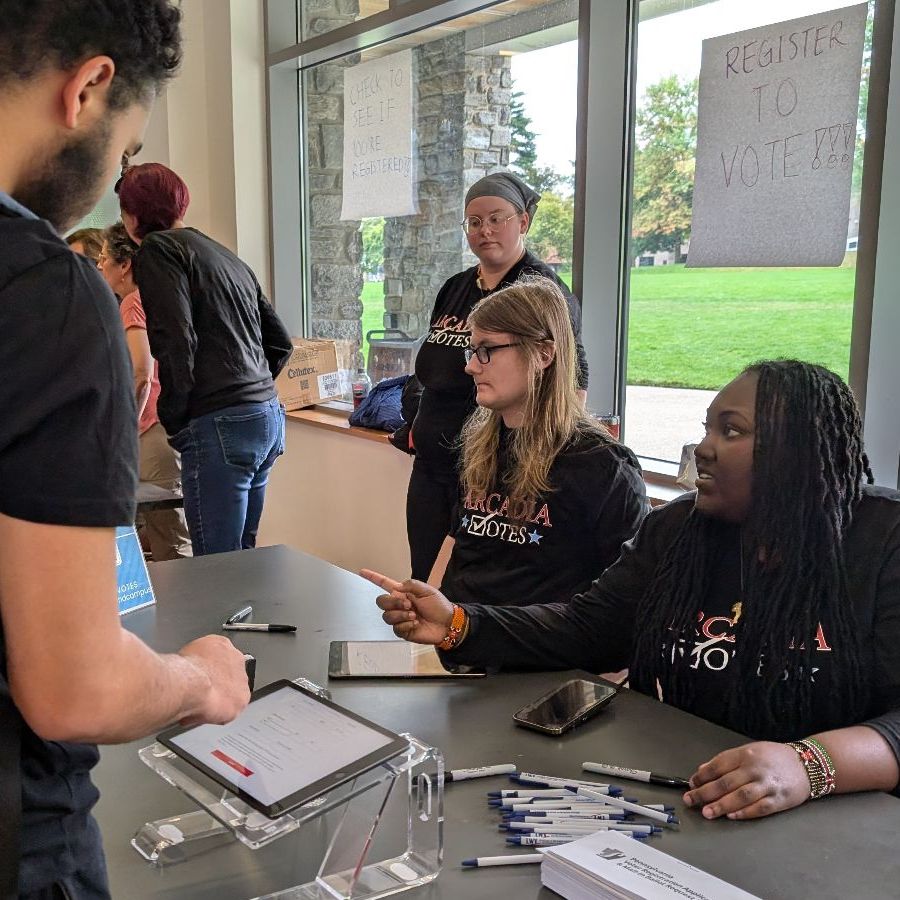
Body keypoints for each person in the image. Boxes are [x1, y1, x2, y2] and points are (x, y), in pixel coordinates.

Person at [365, 360, 900, 821]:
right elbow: (588, 628)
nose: (704, 450)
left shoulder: (883, 541)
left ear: (798, 449)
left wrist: (807, 766)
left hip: (837, 822)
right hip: (690, 800)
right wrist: (460, 623)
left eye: (731, 432)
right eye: (707, 429)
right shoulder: (677, 531)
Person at [0, 4, 253, 897]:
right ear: (89, 88)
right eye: (128, 147)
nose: (114, 177)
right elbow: (73, 686)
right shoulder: (44, 291)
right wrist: (199, 680)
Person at [405, 171, 589, 581]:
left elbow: (572, 376)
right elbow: (433, 363)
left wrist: (550, 457)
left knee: (471, 590)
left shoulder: (540, 292)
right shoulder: (455, 287)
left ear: (523, 221)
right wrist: (415, 420)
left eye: (496, 218)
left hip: (493, 474)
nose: (484, 230)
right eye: (474, 221)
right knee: (423, 584)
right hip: (433, 467)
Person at [116, 163, 294, 555]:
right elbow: (280, 343)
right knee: (240, 557)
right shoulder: (223, 254)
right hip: (265, 416)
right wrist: (250, 389)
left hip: (220, 421)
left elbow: (175, 338)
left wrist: (177, 415)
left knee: (217, 566)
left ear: (132, 214)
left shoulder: (158, 250)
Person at [440, 276, 646, 607]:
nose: (471, 366)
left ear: (544, 353)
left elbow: (626, 601)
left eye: (486, 350)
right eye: (471, 350)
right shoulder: (480, 444)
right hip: (458, 639)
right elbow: (459, 546)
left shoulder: (603, 467)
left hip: (538, 654)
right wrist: (427, 606)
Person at [98, 221, 191, 561]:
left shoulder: (134, 303)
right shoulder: (156, 297)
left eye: (104, 256)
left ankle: (185, 612)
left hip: (153, 427)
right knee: (164, 532)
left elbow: (142, 371)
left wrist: (128, 425)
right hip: (163, 424)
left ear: (125, 265)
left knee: (170, 536)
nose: (98, 264)